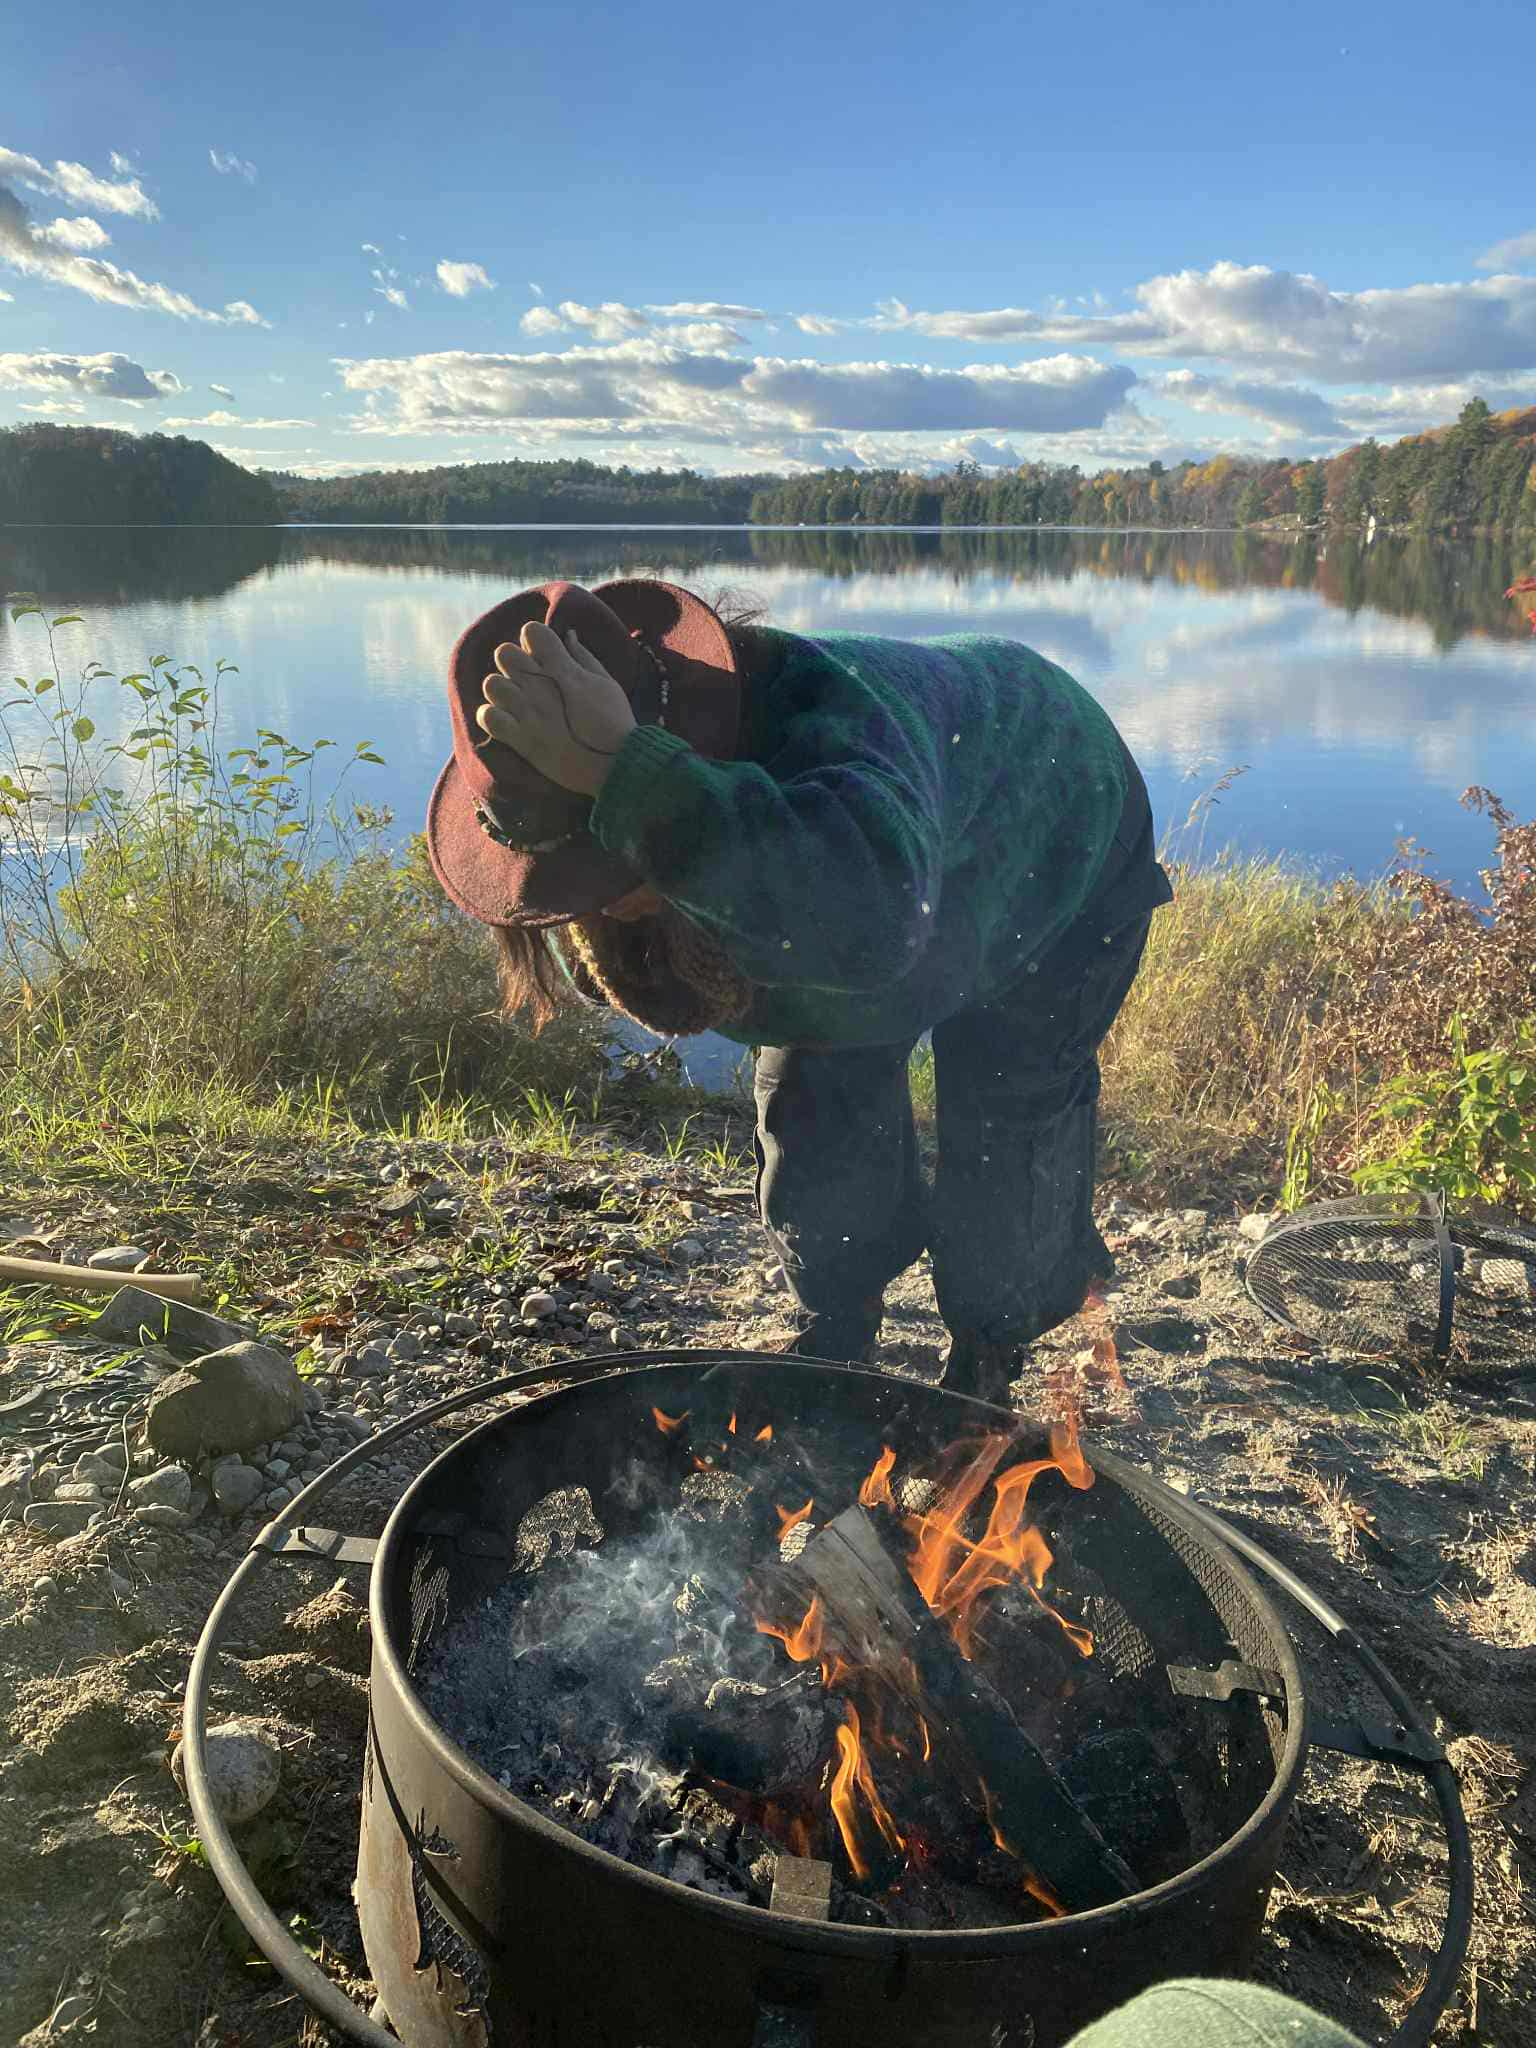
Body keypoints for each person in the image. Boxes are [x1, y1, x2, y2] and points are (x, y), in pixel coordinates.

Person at [427, 576, 1173, 1404]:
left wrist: (629, 783)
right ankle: (838, 1333)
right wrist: (621, 816)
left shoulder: (829, 733)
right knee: (815, 1098)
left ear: (682, 759)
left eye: (613, 861)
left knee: (1009, 1111)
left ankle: (988, 1356)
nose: (605, 902)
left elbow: (874, 925)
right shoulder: (659, 861)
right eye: (578, 883)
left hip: (1057, 827)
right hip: (889, 862)